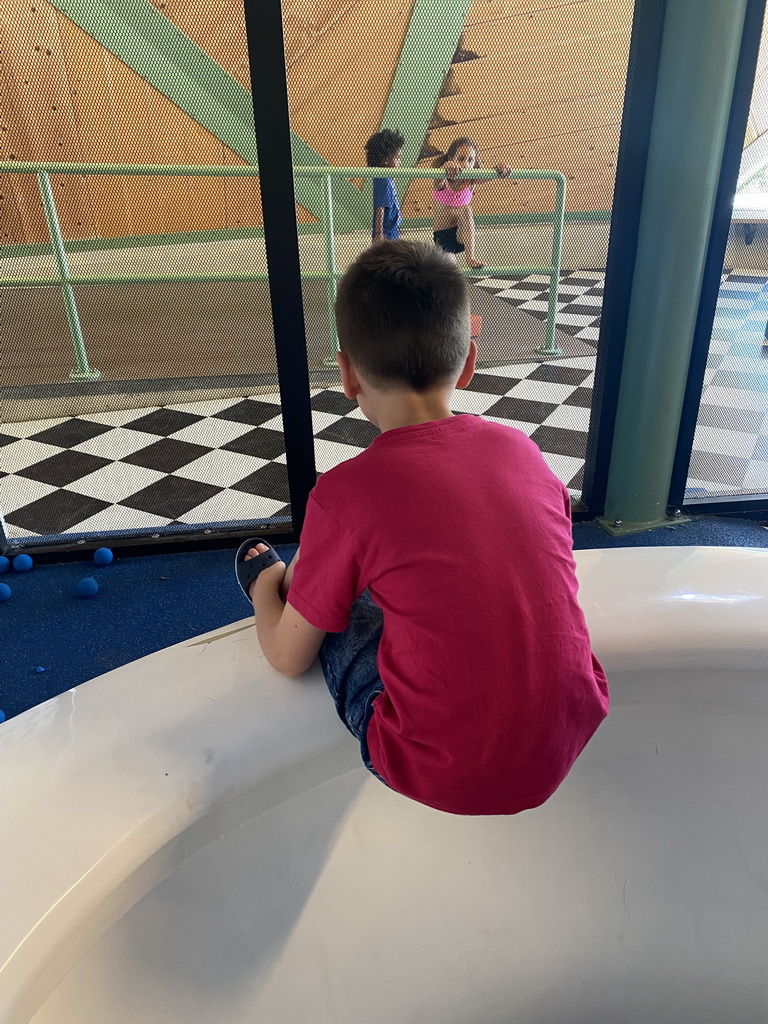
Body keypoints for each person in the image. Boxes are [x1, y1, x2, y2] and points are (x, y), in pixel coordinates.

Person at [235, 239, 609, 816]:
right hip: (572, 727)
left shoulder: (344, 494)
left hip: (438, 766)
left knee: (328, 601)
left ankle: (277, 579)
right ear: (468, 361)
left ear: (349, 375)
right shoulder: (523, 450)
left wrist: (267, 592)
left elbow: (288, 659)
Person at [432, 136, 511, 269]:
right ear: (451, 158)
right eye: (461, 159)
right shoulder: (443, 181)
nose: (466, 164)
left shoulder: (471, 180)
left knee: (466, 209)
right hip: (444, 236)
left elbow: (489, 176)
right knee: (451, 272)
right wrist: (446, 167)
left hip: (462, 234)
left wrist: (500, 169)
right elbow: (438, 180)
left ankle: (470, 257)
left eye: (470, 160)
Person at [364, 128, 404, 242]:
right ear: (386, 160)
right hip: (386, 233)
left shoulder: (387, 177)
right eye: (398, 158)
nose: (400, 162)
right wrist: (379, 233)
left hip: (391, 228)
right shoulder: (383, 179)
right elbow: (380, 207)